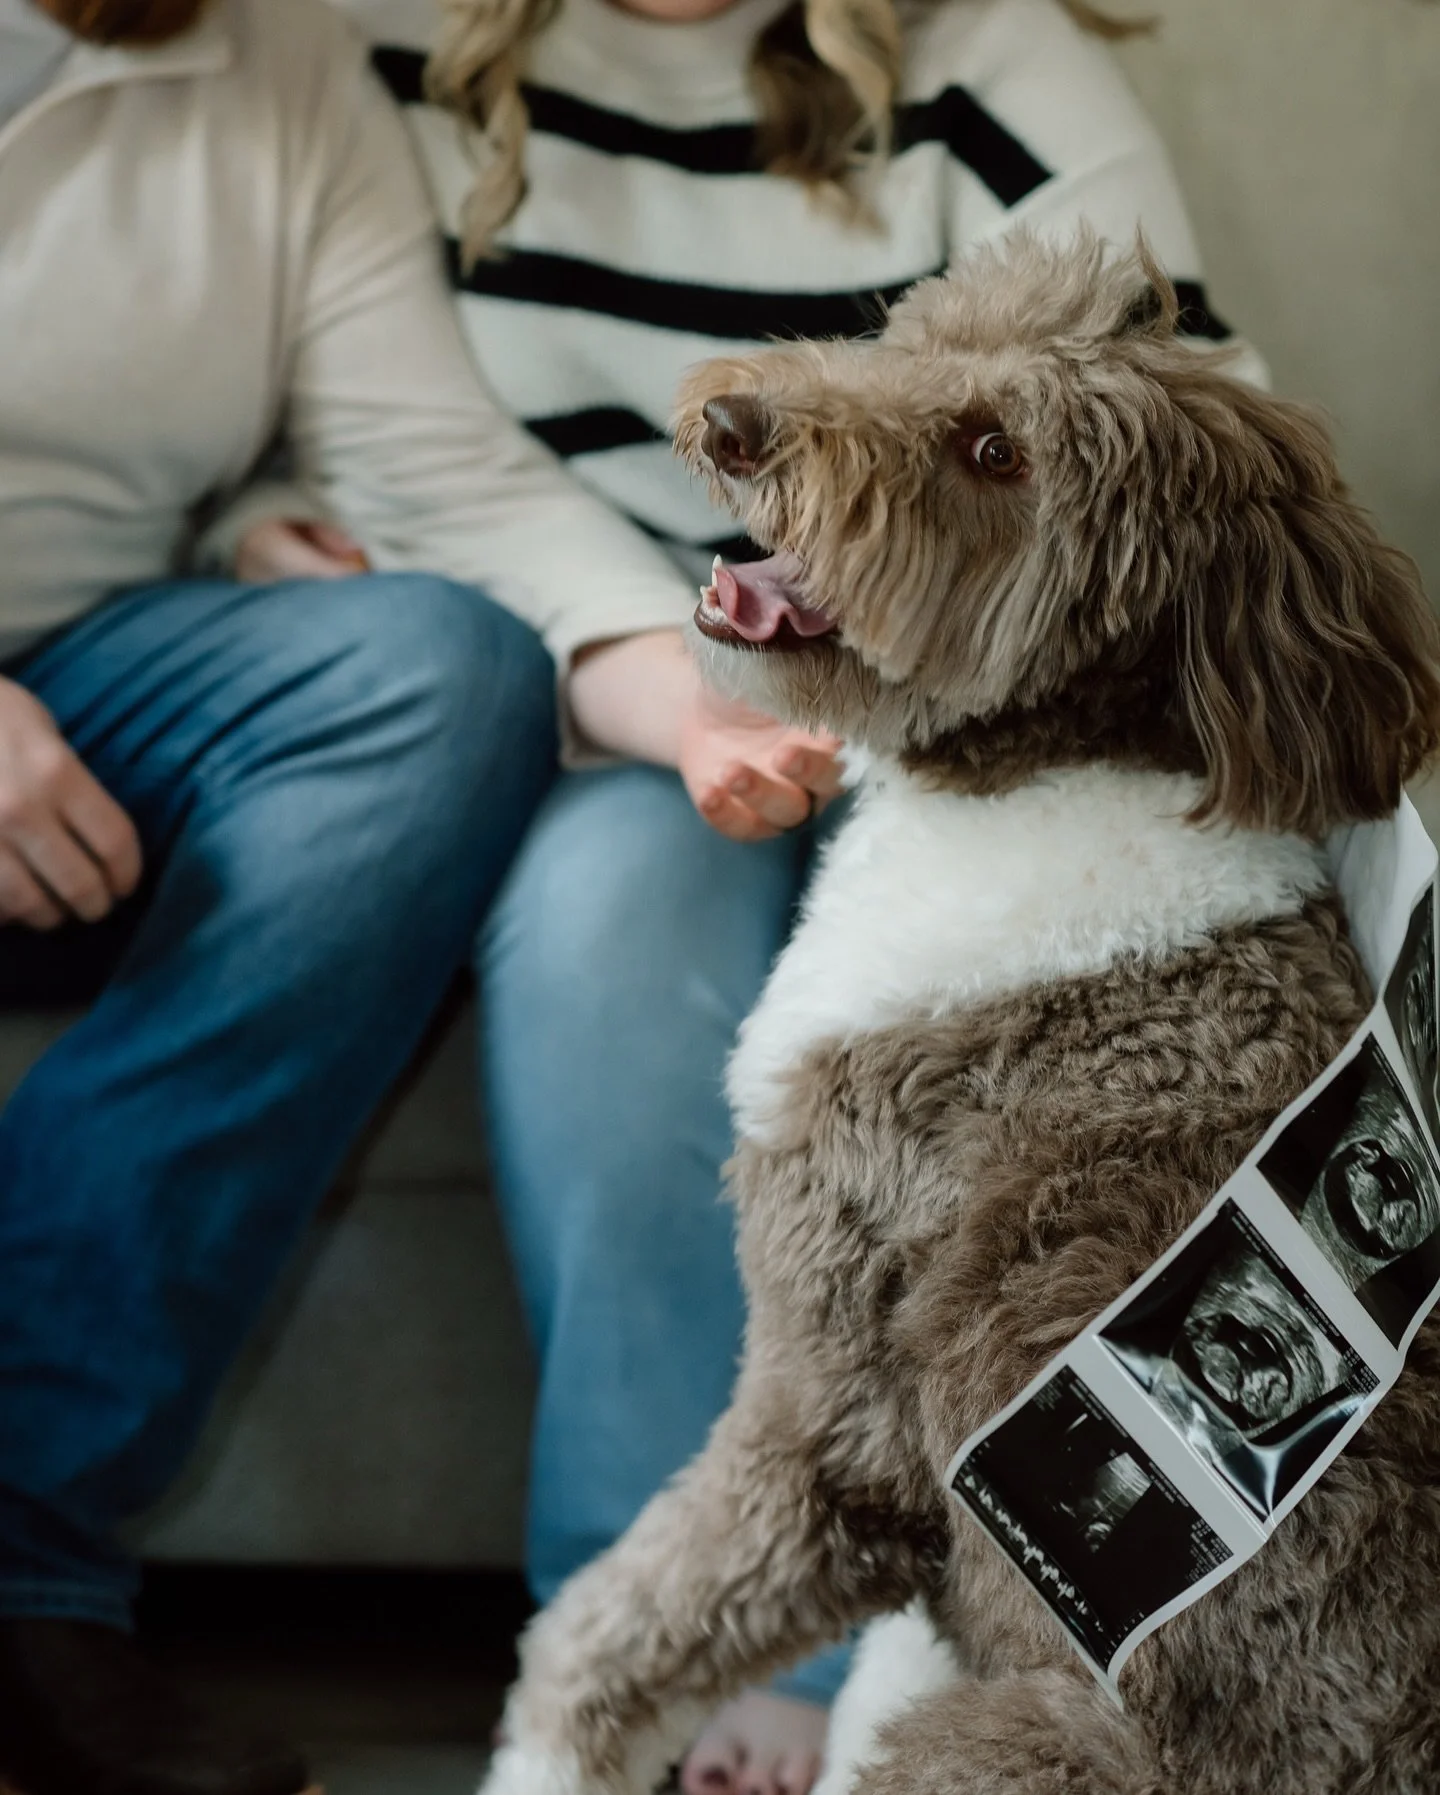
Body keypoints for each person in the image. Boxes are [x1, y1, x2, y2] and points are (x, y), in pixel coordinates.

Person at [234, 0, 1263, 1786]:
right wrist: (266, 514)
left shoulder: (978, 60)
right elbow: (331, 405)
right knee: (617, 935)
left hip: (947, 714)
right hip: (606, 714)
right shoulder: (386, 56)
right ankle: (665, 1649)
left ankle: (908, 1646)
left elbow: (1193, 431)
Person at [0, 0, 741, 1790]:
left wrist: (697, 701)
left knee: (439, 668)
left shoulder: (281, 58)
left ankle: (18, 1576)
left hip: (102, 693)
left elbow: (437, 469)